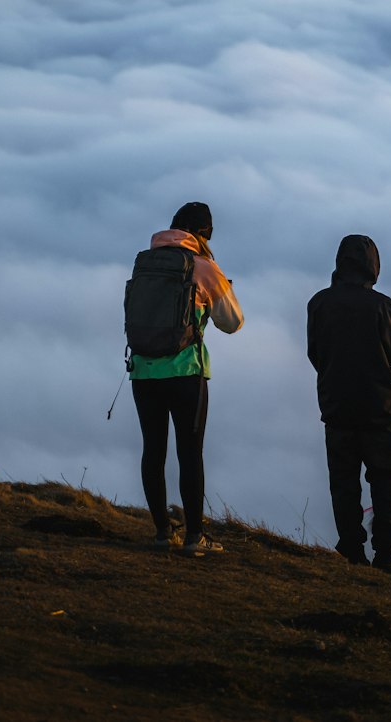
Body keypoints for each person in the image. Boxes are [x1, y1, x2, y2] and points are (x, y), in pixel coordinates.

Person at [129, 202, 243, 555]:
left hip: (144, 370)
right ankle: (195, 536)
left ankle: (163, 532)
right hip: (185, 372)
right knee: (190, 453)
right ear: (203, 233)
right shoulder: (203, 267)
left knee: (154, 450)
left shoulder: (144, 262)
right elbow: (232, 322)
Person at [306, 234, 391, 572]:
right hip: (380, 411)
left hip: (336, 408)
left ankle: (352, 550)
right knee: (386, 482)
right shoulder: (381, 306)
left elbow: (316, 354)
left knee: (343, 482)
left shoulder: (319, 303)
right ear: (373, 267)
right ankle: (386, 555)